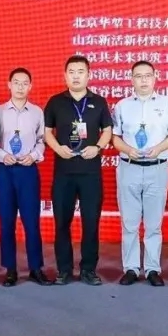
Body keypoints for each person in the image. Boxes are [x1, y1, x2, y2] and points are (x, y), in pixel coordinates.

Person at [111, 60, 168, 287]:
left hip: (157, 168)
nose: (143, 80)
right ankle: (131, 268)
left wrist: (159, 148)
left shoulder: (167, 104)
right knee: (129, 223)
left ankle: (152, 268)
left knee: (153, 224)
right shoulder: (122, 106)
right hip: (129, 167)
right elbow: (114, 137)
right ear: (131, 79)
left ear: (155, 77)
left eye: (147, 76)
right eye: (138, 76)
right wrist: (127, 149)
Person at [44, 55, 113, 285]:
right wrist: (58, 148)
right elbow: (46, 132)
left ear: (88, 75)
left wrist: (98, 147)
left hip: (90, 173)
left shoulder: (99, 102)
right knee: (62, 223)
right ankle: (64, 270)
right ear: (65, 75)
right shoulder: (55, 102)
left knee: (91, 223)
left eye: (80, 71)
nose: (76, 76)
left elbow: (107, 130)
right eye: (71, 72)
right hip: (64, 173)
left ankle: (88, 270)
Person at [0, 67, 52, 286]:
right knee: (6, 221)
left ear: (30, 86)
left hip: (28, 170)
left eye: (24, 83)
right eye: (16, 82)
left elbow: (42, 140)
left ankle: (36, 268)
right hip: (5, 170)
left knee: (31, 221)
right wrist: (2, 155)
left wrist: (34, 156)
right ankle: (10, 270)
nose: (20, 87)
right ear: (9, 85)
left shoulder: (37, 112)